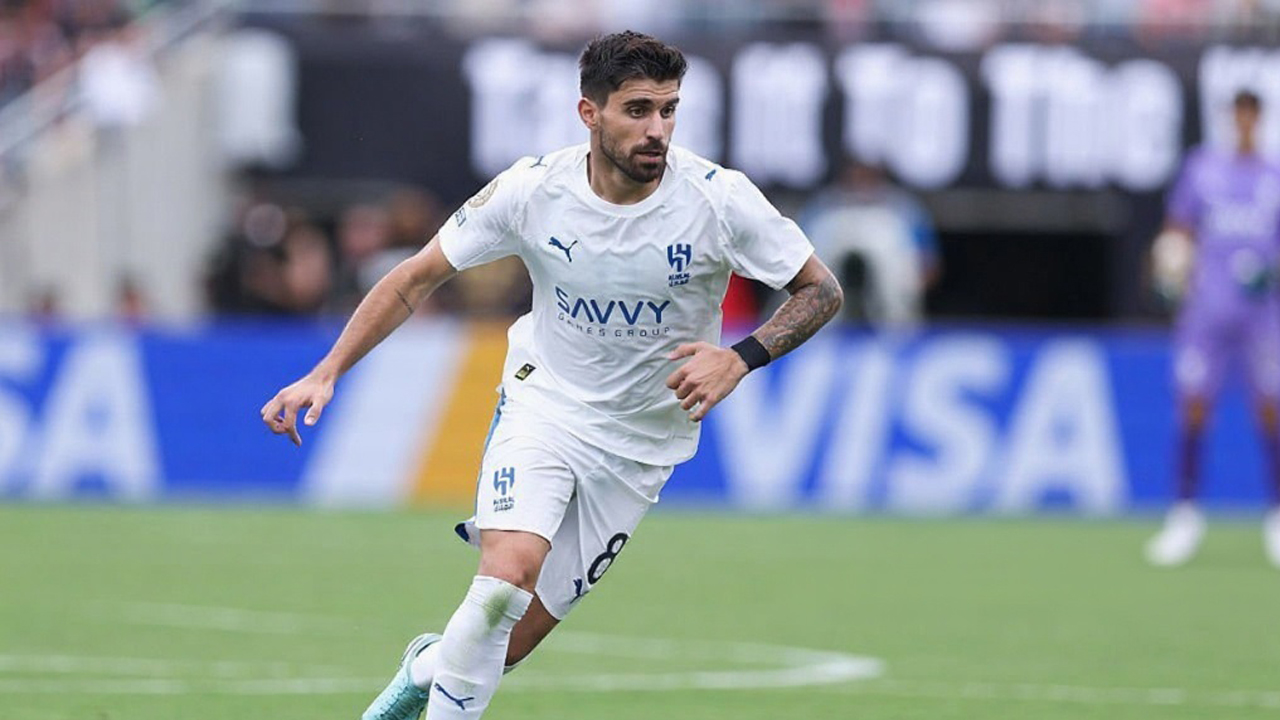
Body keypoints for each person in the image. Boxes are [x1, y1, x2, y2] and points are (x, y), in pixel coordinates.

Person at [259, 31, 841, 720]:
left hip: (639, 448)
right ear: (589, 114)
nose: (657, 130)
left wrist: (741, 358)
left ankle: (423, 667)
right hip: (545, 408)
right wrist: (326, 372)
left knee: (498, 644)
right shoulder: (534, 190)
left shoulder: (720, 200)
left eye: (669, 110)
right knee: (503, 584)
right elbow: (416, 279)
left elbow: (821, 290)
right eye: (638, 110)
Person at [1145, 89, 1280, 569]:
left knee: (1271, 409)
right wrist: (1168, 265)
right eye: (1237, 114)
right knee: (1194, 407)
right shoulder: (1203, 169)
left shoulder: (1273, 176)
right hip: (1206, 311)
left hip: (1262, 314)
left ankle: (1276, 519)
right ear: (1230, 117)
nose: (1243, 122)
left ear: (1259, 119)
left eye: (1251, 115)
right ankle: (1184, 517)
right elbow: (1178, 230)